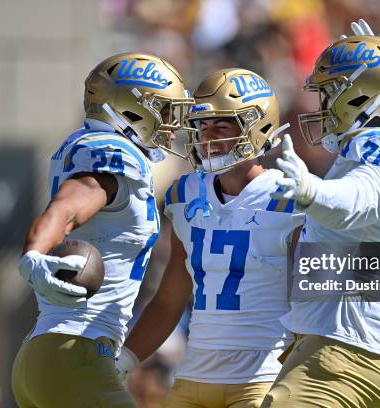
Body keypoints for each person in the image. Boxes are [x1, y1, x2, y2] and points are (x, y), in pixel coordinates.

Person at [261, 20, 380, 408]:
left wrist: (312, 191)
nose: (324, 105)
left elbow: (361, 199)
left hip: (350, 350)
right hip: (374, 347)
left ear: (362, 95)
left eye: (331, 92)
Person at [11, 52, 194, 408]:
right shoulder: (113, 151)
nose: (172, 124)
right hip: (75, 355)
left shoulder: (98, 148)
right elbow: (69, 204)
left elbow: (169, 298)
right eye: (164, 110)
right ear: (129, 108)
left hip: (53, 354)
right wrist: (34, 253)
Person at [120, 68, 304, 408]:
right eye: (201, 126)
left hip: (261, 377)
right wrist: (124, 362)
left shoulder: (290, 197)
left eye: (221, 125)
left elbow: (315, 307)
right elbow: (169, 300)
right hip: (193, 377)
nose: (207, 136)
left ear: (257, 126)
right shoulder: (184, 194)